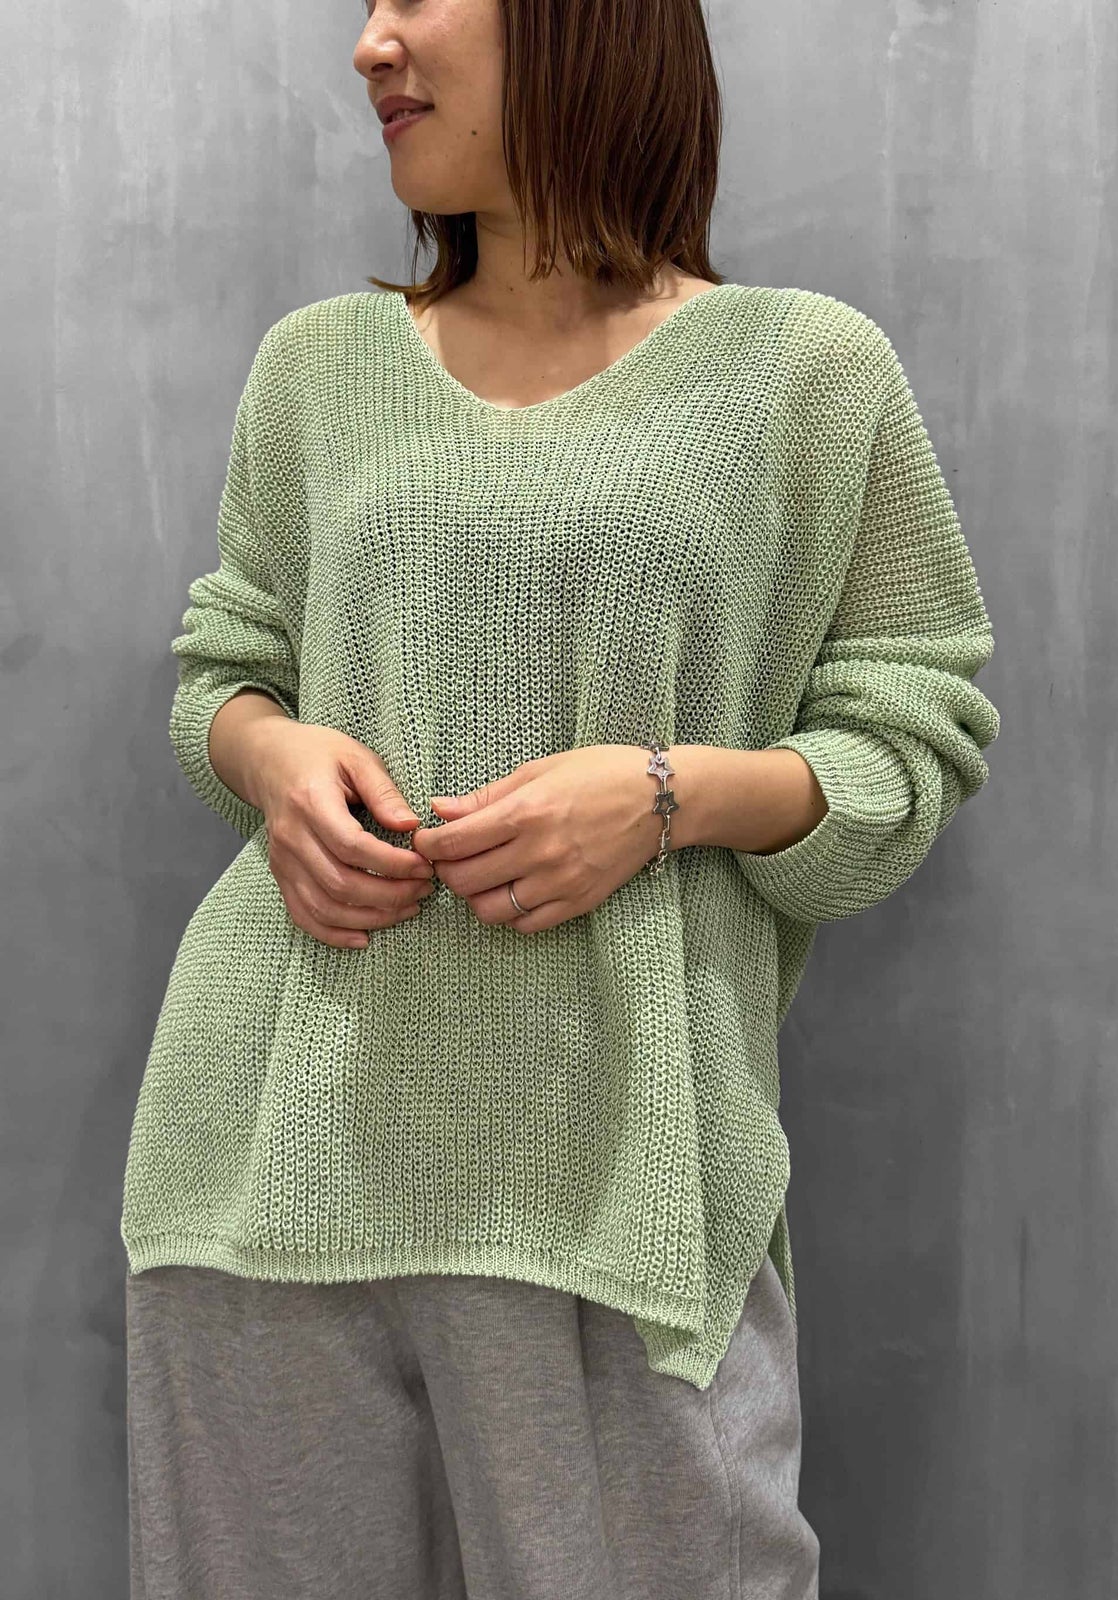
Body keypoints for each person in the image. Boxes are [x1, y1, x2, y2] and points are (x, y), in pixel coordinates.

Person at [120, 1, 1001, 1596]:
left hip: (621, 1190)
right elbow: (222, 673)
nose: (371, 45)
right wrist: (273, 760)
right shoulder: (318, 368)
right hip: (271, 1169)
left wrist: (669, 796)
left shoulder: (805, 372)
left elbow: (912, 742)